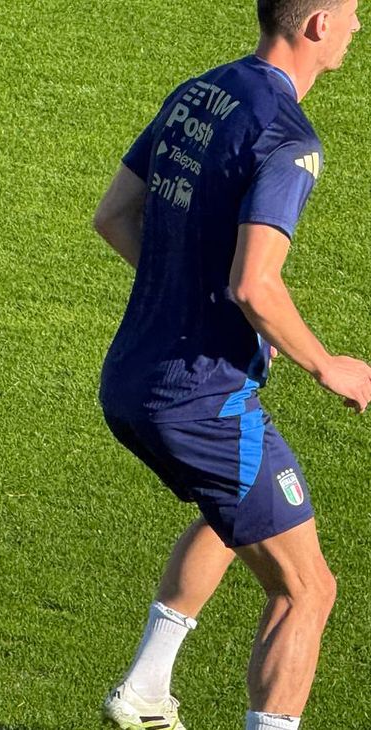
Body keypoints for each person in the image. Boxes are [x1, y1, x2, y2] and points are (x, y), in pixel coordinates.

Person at [92, 2, 367, 729]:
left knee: (233, 511)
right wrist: (326, 364)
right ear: (315, 23)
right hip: (201, 396)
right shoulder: (287, 138)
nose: (358, 28)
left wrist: (199, 297)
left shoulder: (199, 91)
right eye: (353, 14)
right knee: (308, 590)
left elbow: (115, 215)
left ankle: (146, 689)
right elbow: (256, 284)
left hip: (130, 380)